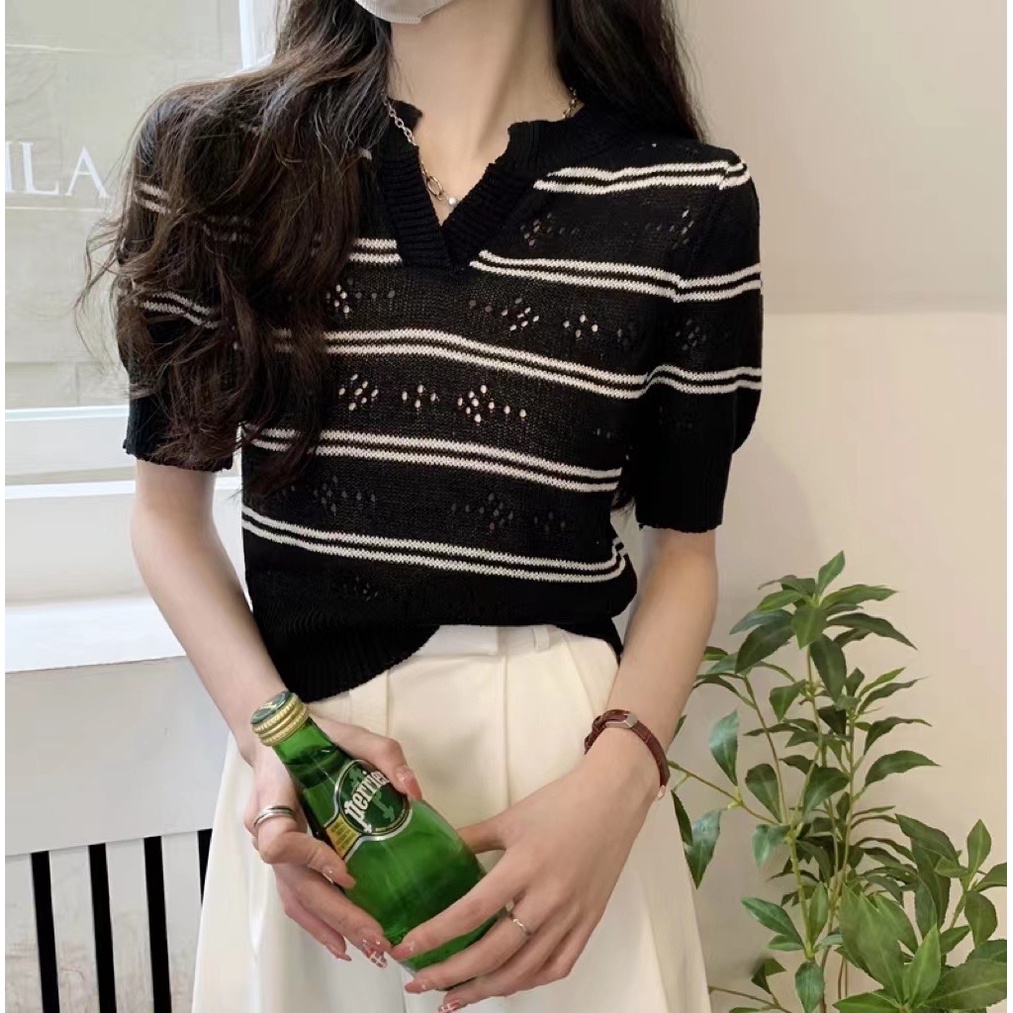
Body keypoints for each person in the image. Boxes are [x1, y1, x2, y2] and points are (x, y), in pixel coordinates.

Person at [90, 0, 763, 1009]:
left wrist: (619, 786)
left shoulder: (684, 199)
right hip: (316, 785)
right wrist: (276, 742)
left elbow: (684, 552)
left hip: (570, 785)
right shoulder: (219, 161)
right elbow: (165, 516)